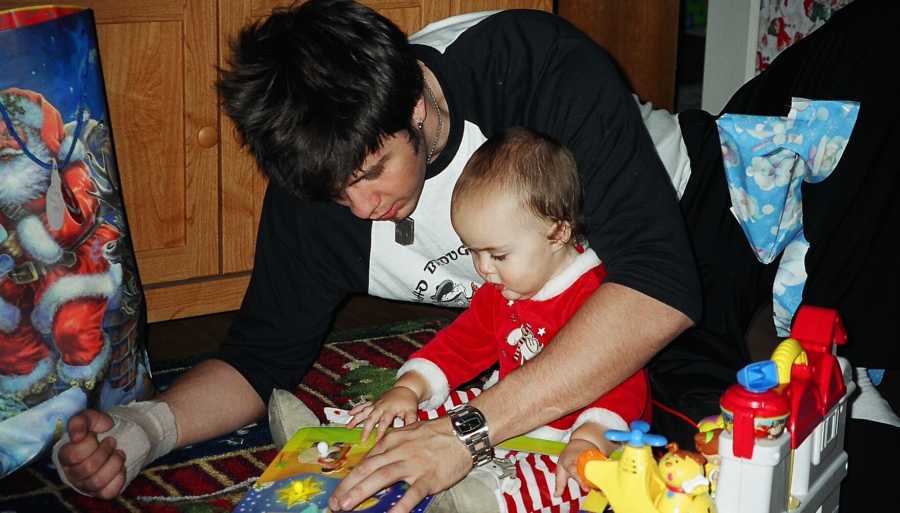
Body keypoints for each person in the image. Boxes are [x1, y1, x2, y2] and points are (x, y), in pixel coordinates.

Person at [53, 1, 897, 511]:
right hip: (599, 326)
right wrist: (145, 428)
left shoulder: (526, 66)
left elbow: (659, 283)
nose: (361, 207)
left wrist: (466, 431)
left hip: (708, 219)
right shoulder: (322, 182)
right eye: (334, 191)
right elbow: (257, 355)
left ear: (418, 107)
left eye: (373, 172)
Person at [346, 127, 650, 509]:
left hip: (575, 435)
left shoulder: (597, 296)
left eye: (498, 255)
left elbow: (623, 378)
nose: (484, 269)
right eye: (474, 253)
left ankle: (477, 499)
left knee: (562, 482)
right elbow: (464, 342)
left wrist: (592, 437)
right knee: (425, 413)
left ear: (557, 233)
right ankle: (346, 441)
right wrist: (411, 387)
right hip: (505, 410)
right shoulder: (501, 289)